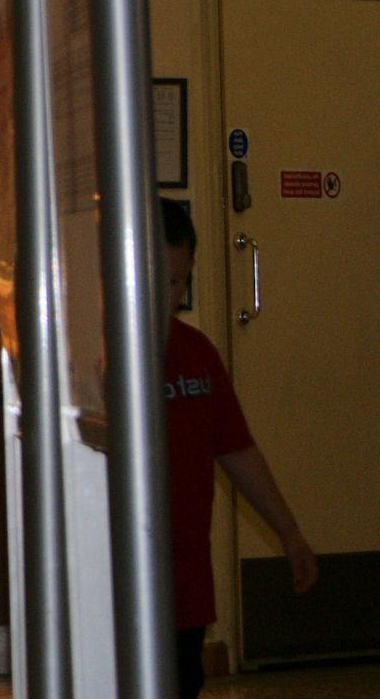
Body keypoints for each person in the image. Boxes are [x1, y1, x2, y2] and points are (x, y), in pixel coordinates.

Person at [161, 197, 318, 699]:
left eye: (178, 283)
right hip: (116, 590)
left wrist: (289, 532)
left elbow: (236, 451)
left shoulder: (197, 356)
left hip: (185, 591)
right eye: (155, 280)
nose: (168, 297)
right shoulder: (97, 361)